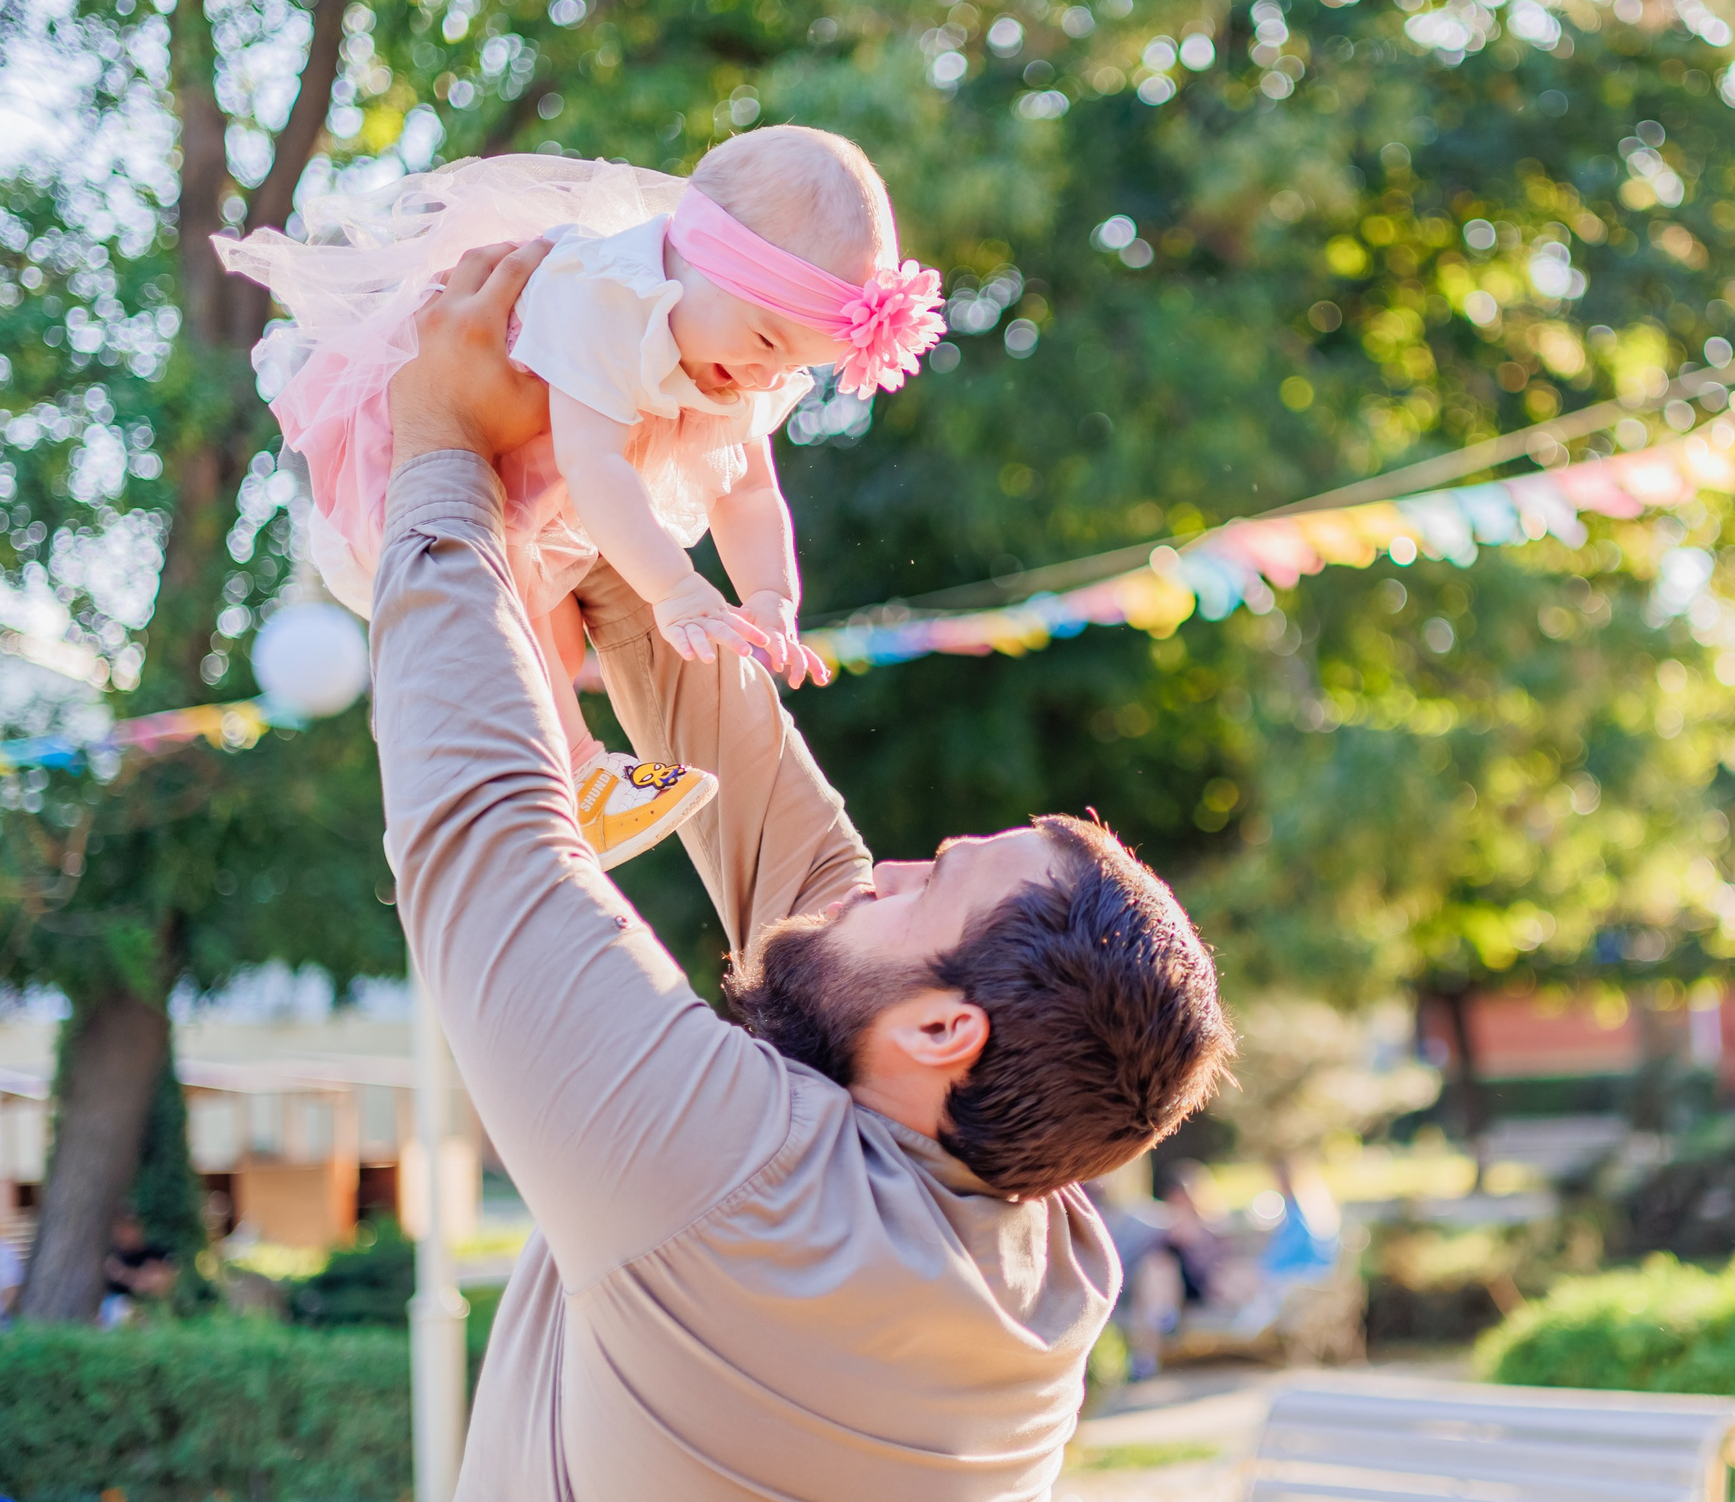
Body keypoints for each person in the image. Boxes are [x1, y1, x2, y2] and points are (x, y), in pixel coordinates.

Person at [369, 239, 1234, 1500]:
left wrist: (442, 449)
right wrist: (612, 466)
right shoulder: (1037, 1248)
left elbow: (487, 836)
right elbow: (772, 809)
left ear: (944, 1028)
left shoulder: (746, 1190)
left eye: (925, 885)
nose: (881, 871)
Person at [216, 128, 946, 868]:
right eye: (764, 341)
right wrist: (676, 588)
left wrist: (770, 595)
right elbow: (593, 462)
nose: (766, 377)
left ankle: (478, 768)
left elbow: (750, 488)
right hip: (460, 435)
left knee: (559, 648)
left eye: (795, 366)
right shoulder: (608, 296)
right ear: (699, 259)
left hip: (540, 468)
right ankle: (573, 772)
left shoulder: (737, 356)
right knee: (508, 608)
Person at [98, 1215, 173, 1326]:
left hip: (148, 1306)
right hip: (118, 1305)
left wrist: (123, 1273)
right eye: (121, 1230)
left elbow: (160, 1284)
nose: (124, 1235)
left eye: (128, 1229)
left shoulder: (155, 1254)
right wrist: (140, 1276)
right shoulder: (114, 1256)